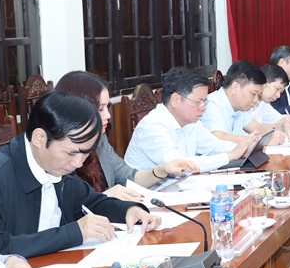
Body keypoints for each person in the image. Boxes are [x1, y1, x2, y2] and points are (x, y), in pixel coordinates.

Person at [0, 91, 161, 258]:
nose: (78, 163)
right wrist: (73, 233)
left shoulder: (58, 166)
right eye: (71, 153)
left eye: (86, 153)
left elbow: (91, 202)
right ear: (39, 138)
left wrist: (129, 210)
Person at [54, 71, 198, 201]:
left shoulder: (100, 141)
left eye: (107, 107)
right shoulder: (59, 153)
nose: (108, 115)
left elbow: (129, 177)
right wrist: (105, 197)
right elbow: (66, 212)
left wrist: (161, 170)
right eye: (100, 109)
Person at [125, 67, 258, 172]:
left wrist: (245, 148)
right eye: (198, 102)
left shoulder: (191, 122)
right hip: (149, 195)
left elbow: (214, 146)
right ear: (175, 99)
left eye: (204, 101)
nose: (203, 108)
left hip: (180, 188)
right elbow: (180, 166)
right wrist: (231, 155)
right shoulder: (153, 126)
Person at [200, 60, 290, 145]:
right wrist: (261, 141)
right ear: (235, 87)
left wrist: (282, 126)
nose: (256, 100)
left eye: (258, 95)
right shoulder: (212, 104)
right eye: (253, 93)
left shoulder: (239, 107)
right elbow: (219, 138)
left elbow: (258, 128)